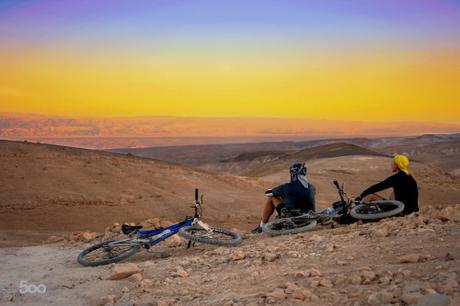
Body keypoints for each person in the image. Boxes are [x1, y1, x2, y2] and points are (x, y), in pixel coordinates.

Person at [252, 162, 316, 233]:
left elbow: (268, 193)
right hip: (309, 217)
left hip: (292, 217)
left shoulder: (286, 187)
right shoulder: (312, 187)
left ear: (292, 174)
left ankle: (261, 226)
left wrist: (279, 192)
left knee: (271, 197)